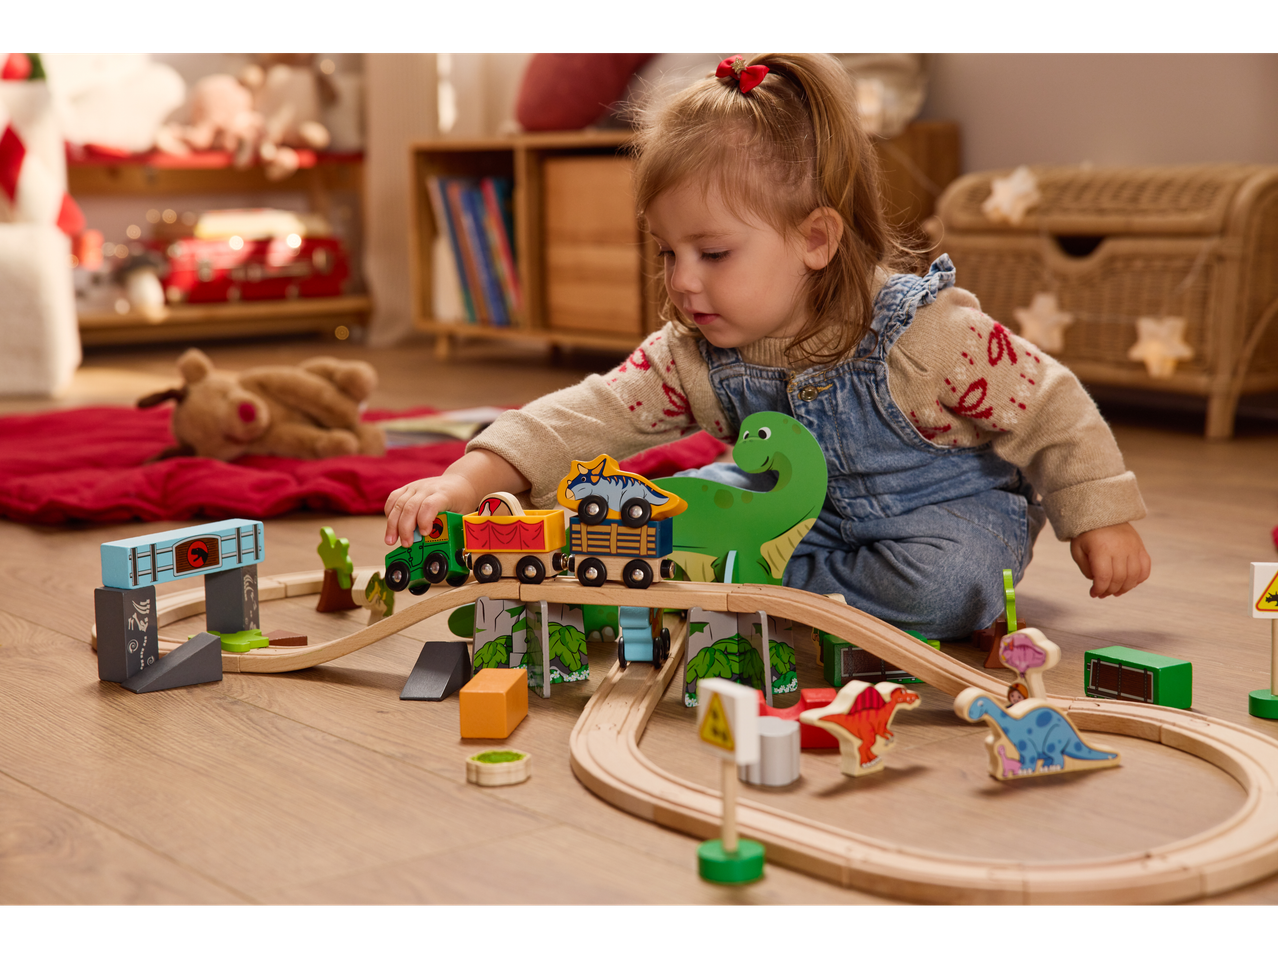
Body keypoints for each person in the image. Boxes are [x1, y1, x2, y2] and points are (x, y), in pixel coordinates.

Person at [384, 52, 1151, 638]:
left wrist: (1098, 513)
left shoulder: (925, 331)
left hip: (943, 515)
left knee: (948, 582)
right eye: (666, 252)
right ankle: (761, 590)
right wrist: (468, 474)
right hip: (792, 521)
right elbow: (587, 413)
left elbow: (1048, 400)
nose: (683, 281)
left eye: (712, 254)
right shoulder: (693, 352)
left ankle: (750, 595)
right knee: (642, 518)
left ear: (816, 238)